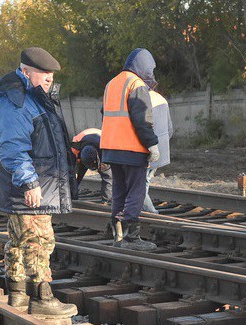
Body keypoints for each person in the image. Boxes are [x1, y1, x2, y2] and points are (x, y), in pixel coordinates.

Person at [0, 47, 77, 317]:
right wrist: (29, 182)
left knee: (19, 239)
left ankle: (18, 293)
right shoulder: (18, 101)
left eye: (51, 73)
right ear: (25, 72)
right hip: (29, 186)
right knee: (39, 240)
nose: (49, 78)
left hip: (30, 183)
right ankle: (43, 297)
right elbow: (13, 147)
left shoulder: (33, 98)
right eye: (43, 72)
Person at [100, 48, 159, 251]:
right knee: (136, 190)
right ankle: (132, 237)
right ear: (144, 66)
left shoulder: (111, 83)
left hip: (111, 148)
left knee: (119, 189)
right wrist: (152, 144)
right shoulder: (136, 84)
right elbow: (142, 119)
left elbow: (105, 114)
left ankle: (117, 234)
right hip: (132, 148)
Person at [142, 89, 173, 214]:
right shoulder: (161, 98)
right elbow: (170, 129)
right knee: (145, 182)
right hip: (161, 151)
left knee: (139, 186)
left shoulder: (140, 99)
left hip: (146, 151)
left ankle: (151, 213)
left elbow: (142, 127)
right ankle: (144, 209)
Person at [71, 128, 113, 203]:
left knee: (107, 176)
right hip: (83, 149)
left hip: (100, 145)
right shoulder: (75, 146)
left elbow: (108, 177)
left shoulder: (105, 148)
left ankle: (107, 200)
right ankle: (72, 197)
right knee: (75, 176)